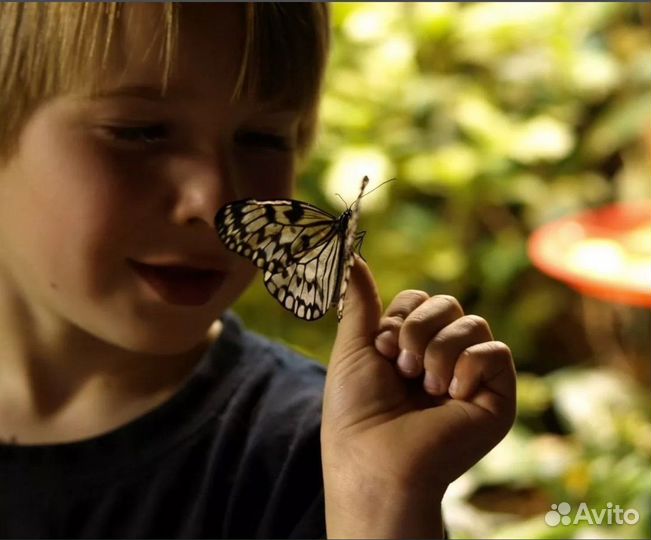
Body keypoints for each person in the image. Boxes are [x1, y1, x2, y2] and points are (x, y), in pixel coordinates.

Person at [0, 3, 516, 538]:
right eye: (141, 131)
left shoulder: (317, 451)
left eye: (264, 138)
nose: (216, 199)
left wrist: (379, 498)